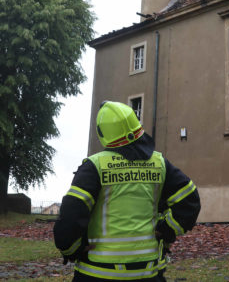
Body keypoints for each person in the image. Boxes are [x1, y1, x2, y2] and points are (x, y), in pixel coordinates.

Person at [54, 101, 200, 281]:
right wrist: (166, 229)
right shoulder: (159, 163)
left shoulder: (95, 166)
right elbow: (190, 201)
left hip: (96, 272)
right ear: (136, 124)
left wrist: (72, 249)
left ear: (103, 134)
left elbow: (71, 215)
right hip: (148, 272)